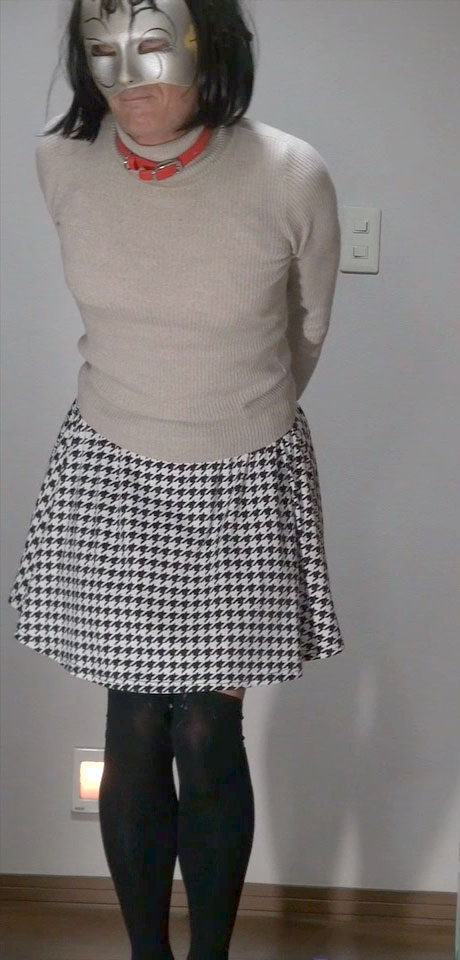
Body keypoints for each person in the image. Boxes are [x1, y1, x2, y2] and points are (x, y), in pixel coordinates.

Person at [8, 1, 345, 958]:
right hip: (113, 466)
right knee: (133, 723)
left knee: (205, 729)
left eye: (153, 43)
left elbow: (307, 331)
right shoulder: (59, 163)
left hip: (243, 473)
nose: (126, 73)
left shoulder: (290, 173)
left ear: (211, 45)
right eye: (99, 49)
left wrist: (226, 418)